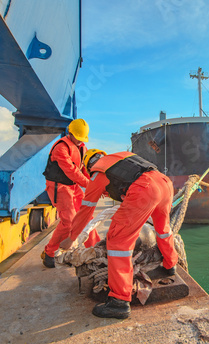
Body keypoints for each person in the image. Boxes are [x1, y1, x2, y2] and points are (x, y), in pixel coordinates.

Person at [59, 150, 178, 319]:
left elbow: (86, 209)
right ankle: (170, 264)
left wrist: (71, 238)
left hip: (145, 189)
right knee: (163, 228)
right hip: (164, 183)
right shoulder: (118, 159)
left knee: (117, 242)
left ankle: (119, 302)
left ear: (88, 167)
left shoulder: (98, 173)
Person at [40, 118, 101, 268]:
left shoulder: (82, 148)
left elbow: (84, 171)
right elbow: (72, 172)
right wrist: (91, 186)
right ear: (70, 133)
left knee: (87, 216)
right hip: (59, 187)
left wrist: (98, 185)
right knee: (68, 221)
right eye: (78, 138)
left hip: (74, 187)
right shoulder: (60, 148)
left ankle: (96, 250)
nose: (80, 142)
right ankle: (50, 252)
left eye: (82, 139)